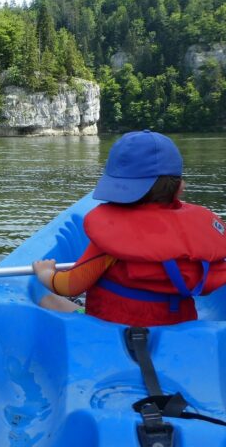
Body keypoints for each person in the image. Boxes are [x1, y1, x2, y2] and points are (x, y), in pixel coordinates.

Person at [33, 130, 226, 327]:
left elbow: (71, 285)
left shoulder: (112, 238)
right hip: (177, 327)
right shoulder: (196, 237)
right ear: (180, 188)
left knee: (48, 300)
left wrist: (46, 274)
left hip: (111, 327)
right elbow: (208, 284)